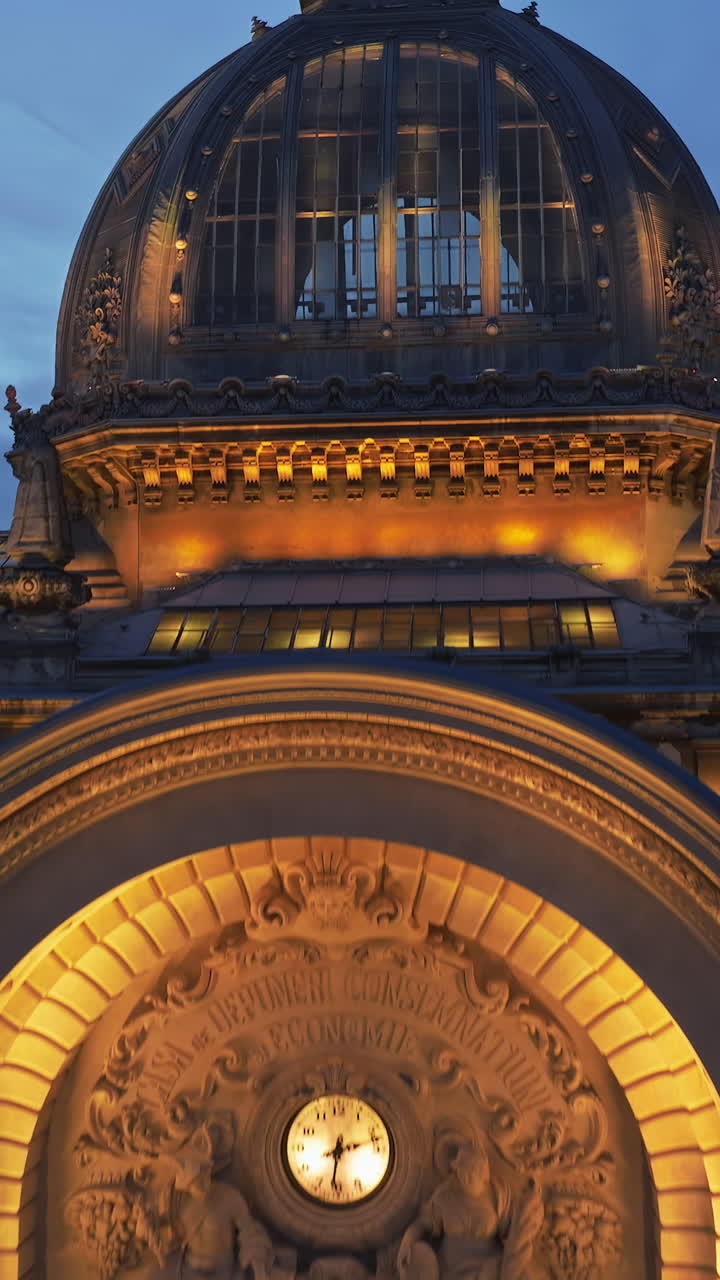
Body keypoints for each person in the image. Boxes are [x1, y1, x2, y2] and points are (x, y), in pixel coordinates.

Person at [396, 1141, 540, 1280]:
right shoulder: (444, 1196)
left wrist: (528, 1203)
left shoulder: (498, 1194)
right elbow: (423, 1224)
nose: (465, 1178)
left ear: (483, 1176)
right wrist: (407, 1242)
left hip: (487, 1268)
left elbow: (514, 1231)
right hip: (450, 1268)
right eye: (462, 1171)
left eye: (471, 1173)